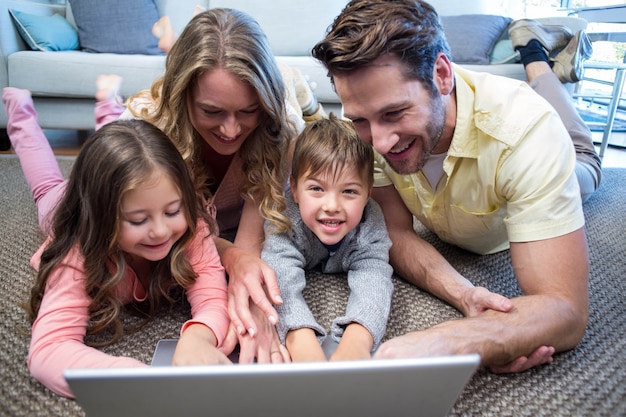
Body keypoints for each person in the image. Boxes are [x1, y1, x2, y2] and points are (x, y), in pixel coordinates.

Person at [311, 0, 599, 373]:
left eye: (394, 113)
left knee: (585, 161)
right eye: (362, 119)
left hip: (570, 162)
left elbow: (565, 308)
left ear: (443, 76)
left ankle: (534, 54)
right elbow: (394, 233)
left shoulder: (527, 133)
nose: (379, 143)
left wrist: (456, 340)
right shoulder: (371, 138)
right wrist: (466, 294)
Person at [79, 9, 306, 363]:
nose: (231, 131)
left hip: (288, 109)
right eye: (212, 111)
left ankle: (292, 84)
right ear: (183, 97)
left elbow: (249, 244)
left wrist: (256, 307)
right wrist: (230, 256)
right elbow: (187, 239)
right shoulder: (144, 132)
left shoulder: (278, 127)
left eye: (247, 111)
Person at [3, 88, 230, 398]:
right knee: (46, 187)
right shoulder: (80, 251)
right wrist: (134, 378)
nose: (162, 231)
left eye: (173, 210)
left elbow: (213, 297)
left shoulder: (191, 227)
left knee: (121, 155)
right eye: (138, 220)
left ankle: (107, 109)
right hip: (63, 201)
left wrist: (200, 336)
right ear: (100, 220)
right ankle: (19, 111)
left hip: (111, 182)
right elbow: (48, 350)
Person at [261, 115, 393, 362]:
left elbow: (374, 278)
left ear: (368, 194)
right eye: (316, 189)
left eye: (349, 191)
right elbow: (280, 282)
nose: (331, 206)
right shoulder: (284, 219)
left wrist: (357, 342)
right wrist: (299, 337)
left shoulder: (369, 222)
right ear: (295, 189)